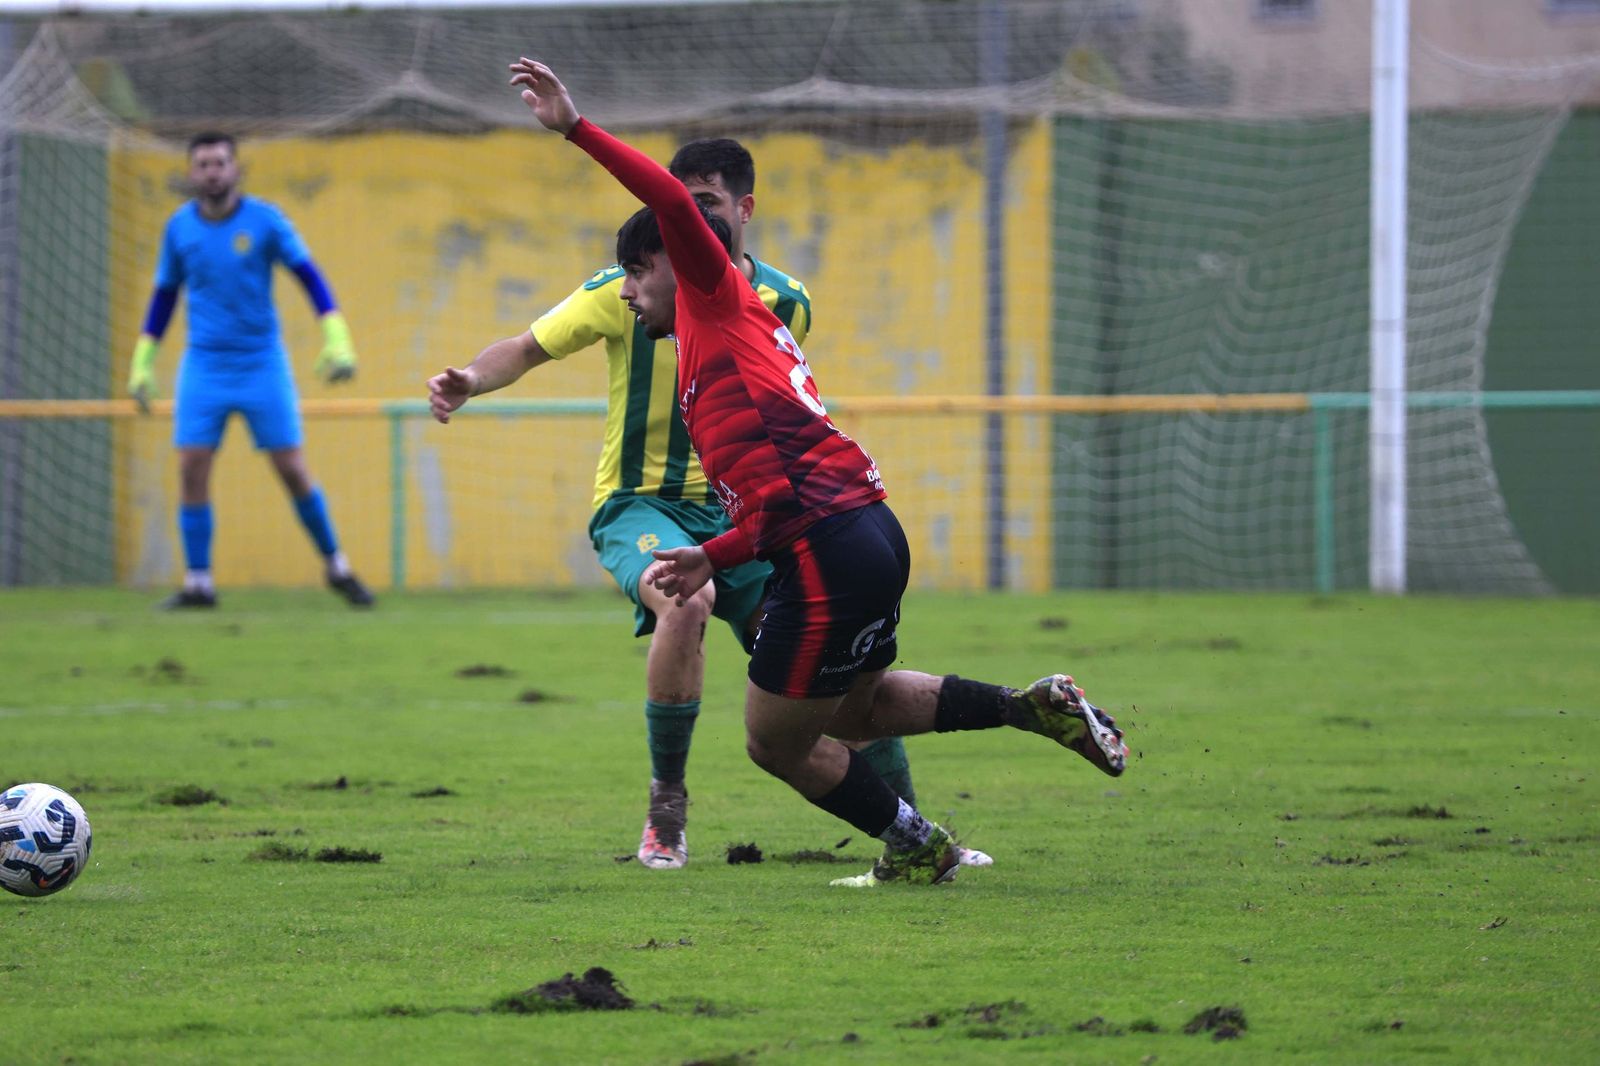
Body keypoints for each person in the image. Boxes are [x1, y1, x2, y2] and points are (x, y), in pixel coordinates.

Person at [509, 60, 1128, 887]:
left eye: (634, 273)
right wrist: (715, 555)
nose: (626, 294)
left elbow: (668, 200)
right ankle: (1031, 707)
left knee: (776, 742)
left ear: (671, 257)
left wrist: (575, 128)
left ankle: (917, 846)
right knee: (856, 711)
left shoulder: (714, 294)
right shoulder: (721, 332)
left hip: (826, 550)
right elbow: (769, 497)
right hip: (868, 531)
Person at [428, 137, 982, 871]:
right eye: (678, 203)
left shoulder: (782, 299)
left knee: (838, 678)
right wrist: (469, 375)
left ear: (742, 210)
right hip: (643, 506)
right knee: (685, 604)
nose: (690, 216)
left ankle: (912, 831)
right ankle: (667, 811)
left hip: (750, 521)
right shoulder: (624, 286)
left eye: (706, 204)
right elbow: (529, 347)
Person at [127, 132, 374, 610]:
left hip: (262, 363)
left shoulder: (265, 221)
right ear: (191, 173)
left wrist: (337, 337)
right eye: (202, 164)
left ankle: (337, 566)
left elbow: (310, 277)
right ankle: (199, 582)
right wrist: (143, 362)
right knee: (191, 467)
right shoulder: (179, 228)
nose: (212, 171)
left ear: (236, 169)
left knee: (292, 469)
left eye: (220, 162)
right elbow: (163, 297)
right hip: (203, 365)